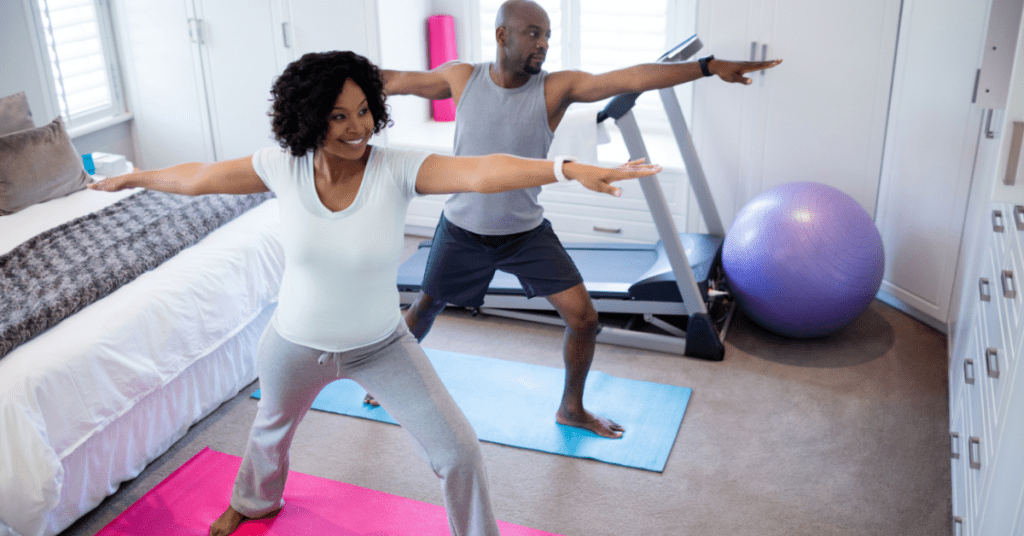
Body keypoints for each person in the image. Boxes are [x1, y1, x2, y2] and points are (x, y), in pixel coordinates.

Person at [89, 50, 658, 536]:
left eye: (364, 110)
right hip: (293, 344)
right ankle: (253, 503)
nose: (357, 127)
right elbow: (198, 177)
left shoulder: (396, 169)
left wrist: (564, 168)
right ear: (309, 118)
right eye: (338, 116)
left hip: (382, 346)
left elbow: (481, 171)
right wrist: (135, 178)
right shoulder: (282, 167)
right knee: (269, 435)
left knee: (460, 451)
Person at [375, 0, 783, 438]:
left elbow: (630, 78)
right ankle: (385, 382)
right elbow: (393, 80)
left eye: (548, 36)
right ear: (501, 35)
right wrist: (330, 78)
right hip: (462, 231)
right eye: (533, 33)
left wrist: (706, 67)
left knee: (585, 319)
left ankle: (572, 408)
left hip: (524, 234)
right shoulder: (462, 77)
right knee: (425, 308)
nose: (544, 44)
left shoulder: (555, 88)